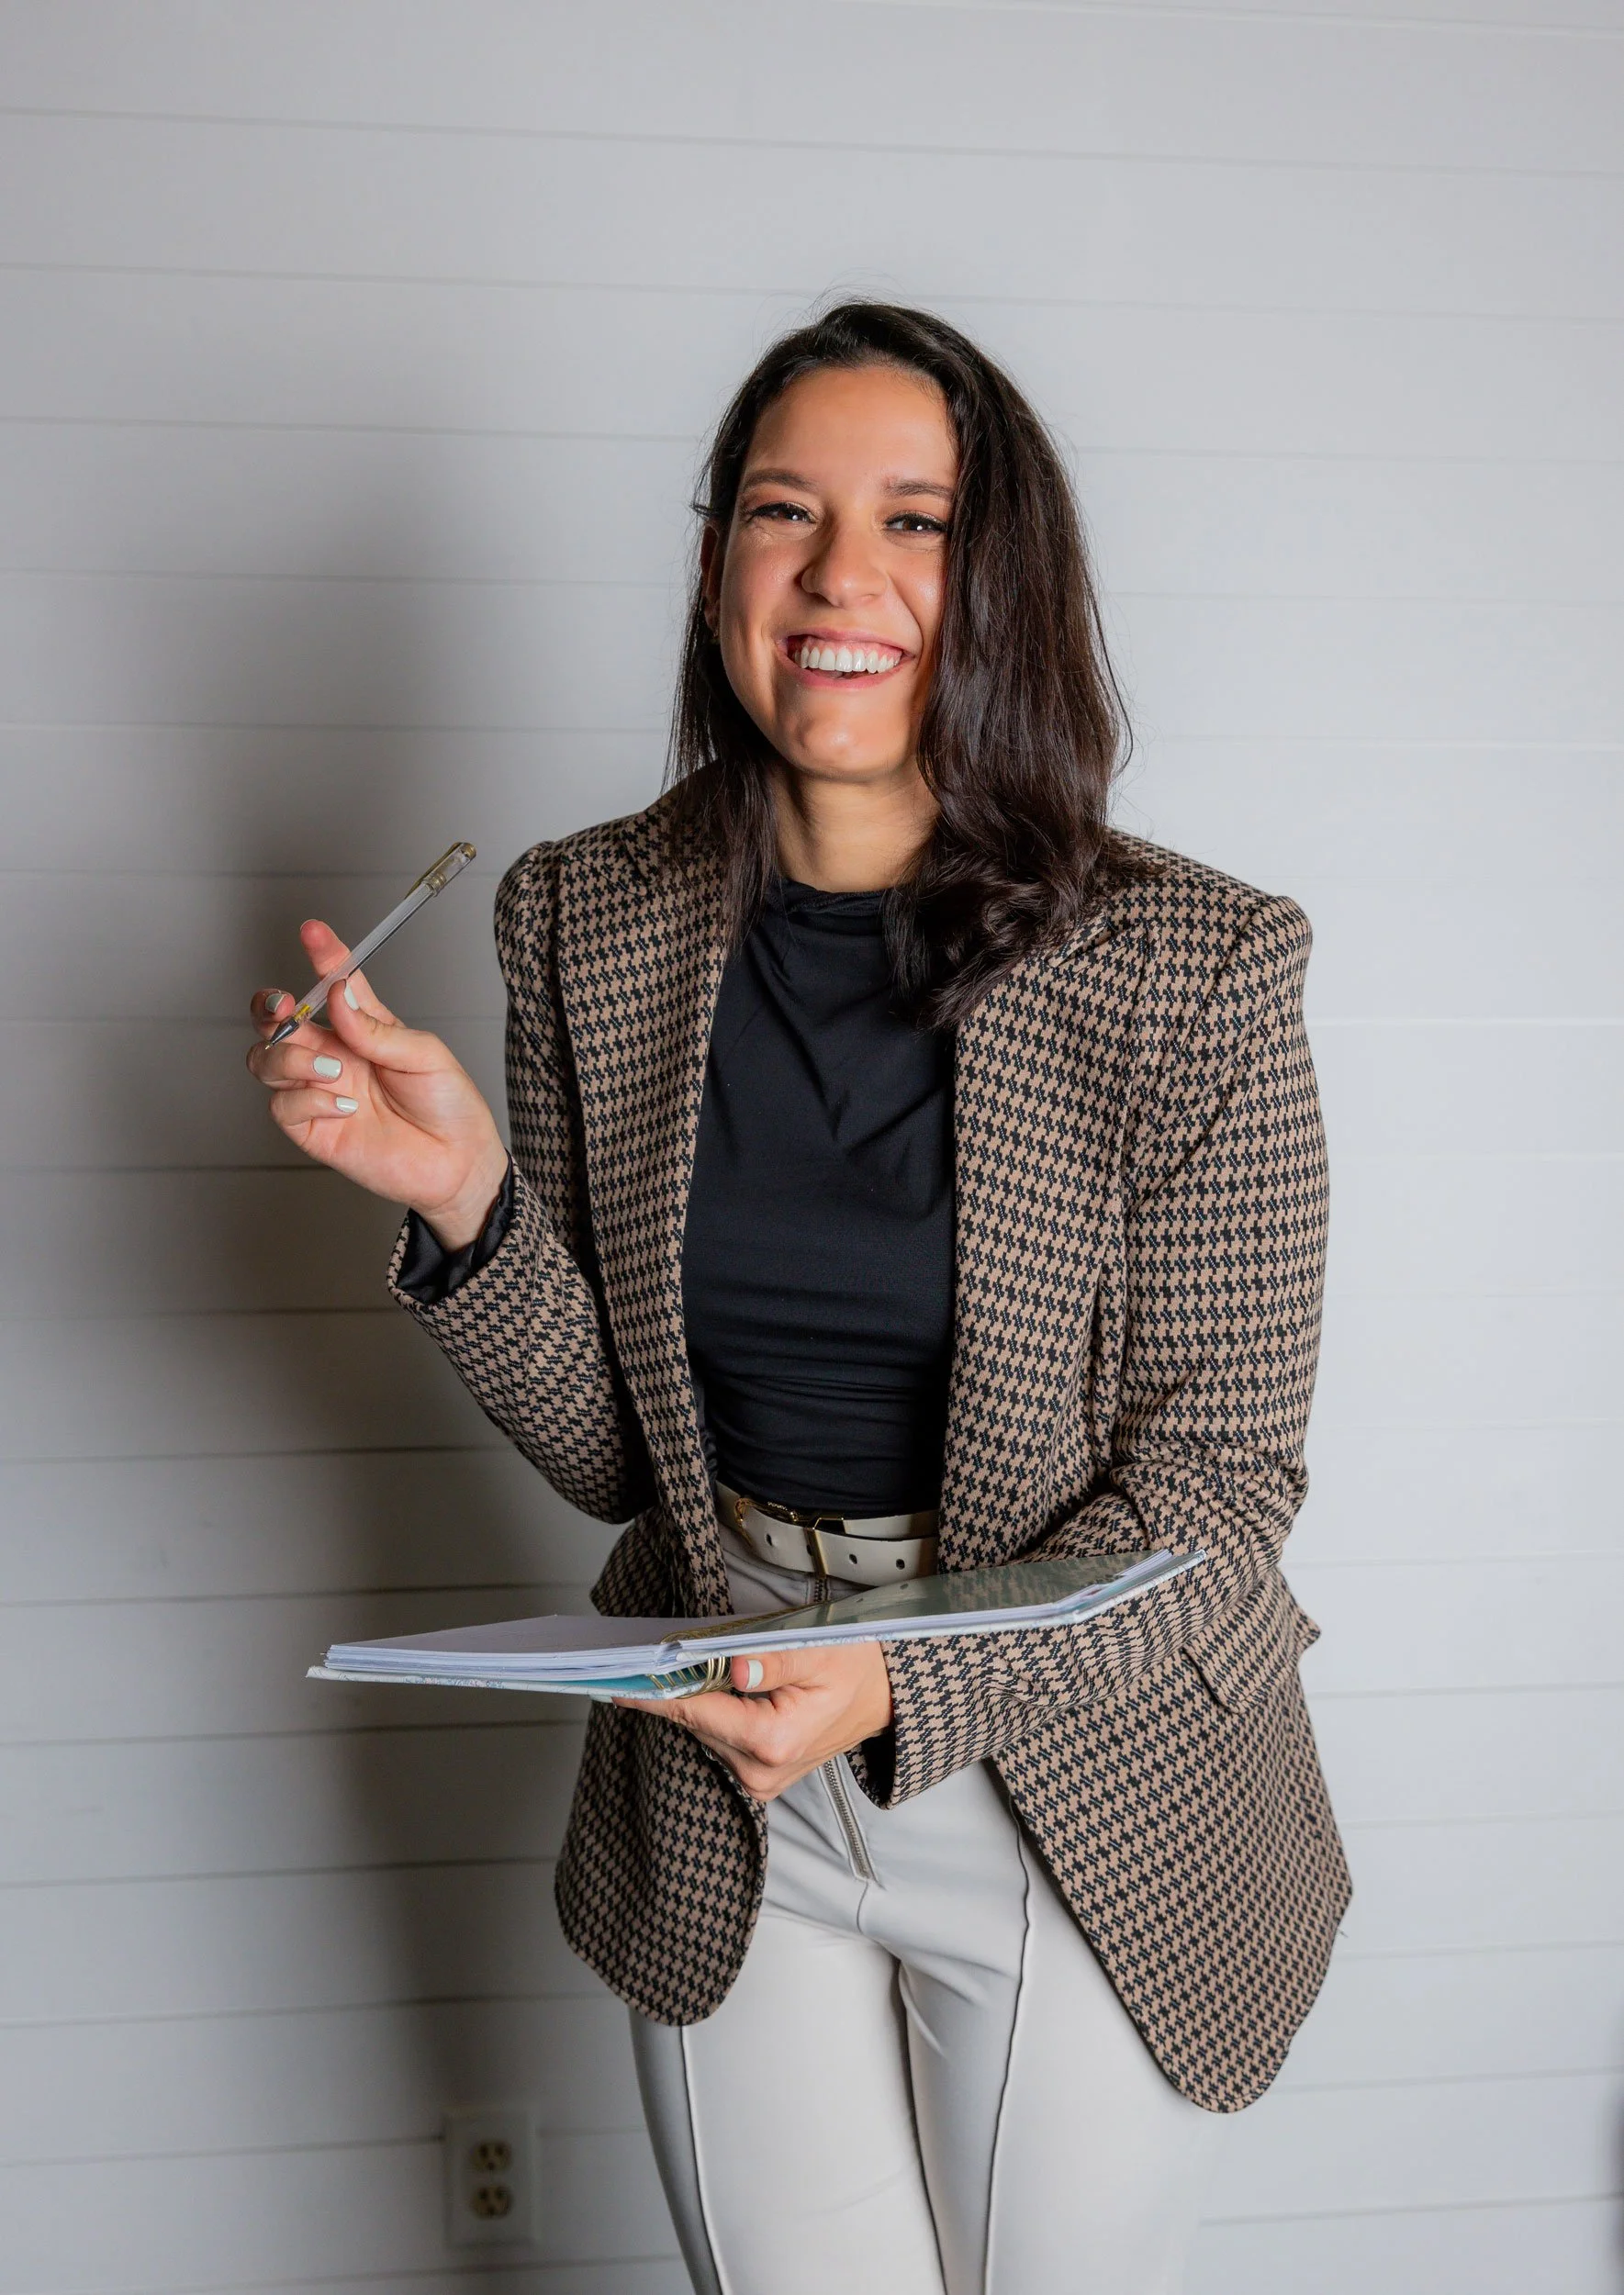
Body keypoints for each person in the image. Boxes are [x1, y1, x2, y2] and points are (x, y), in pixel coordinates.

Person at [248, 302, 1350, 2295]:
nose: (840, 577)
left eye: (913, 521)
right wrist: (461, 1194)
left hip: (1074, 1788)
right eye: (783, 511)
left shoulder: (1195, 963)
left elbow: (1210, 1507)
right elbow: (618, 1460)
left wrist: (909, 1681)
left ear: (1001, 576)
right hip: (722, 1763)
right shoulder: (579, 914)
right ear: (712, 563)